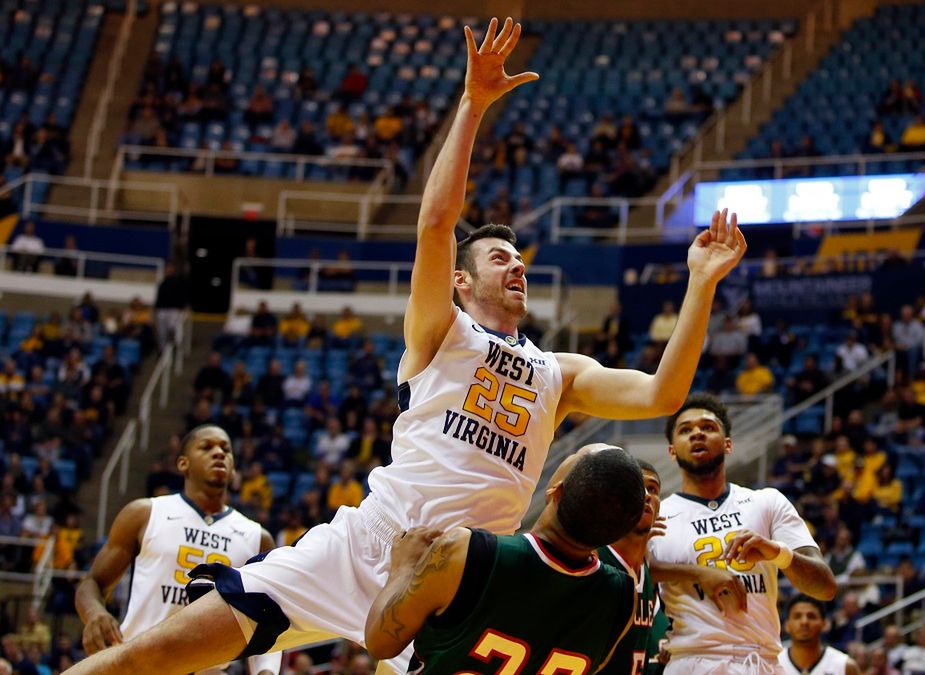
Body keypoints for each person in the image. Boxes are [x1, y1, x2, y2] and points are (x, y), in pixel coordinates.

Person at [64, 17, 744, 675]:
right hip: (367, 542)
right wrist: (474, 104)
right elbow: (435, 223)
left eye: (521, 259)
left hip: (457, 578)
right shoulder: (441, 330)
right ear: (461, 281)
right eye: (500, 257)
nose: (517, 267)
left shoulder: (557, 373)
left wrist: (701, 283)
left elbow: (663, 393)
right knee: (152, 654)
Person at [363, 445, 646, 669]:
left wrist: (403, 566)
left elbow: (380, 643)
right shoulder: (621, 598)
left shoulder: (467, 551)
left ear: (556, 491)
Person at [649, 394, 836, 673]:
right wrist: (698, 573)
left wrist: (777, 553)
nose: (697, 433)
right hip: (693, 660)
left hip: (762, 660)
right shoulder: (657, 514)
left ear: (728, 444)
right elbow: (633, 574)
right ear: (672, 450)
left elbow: (825, 587)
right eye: (685, 430)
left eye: (708, 427)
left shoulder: (767, 502)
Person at [73, 425, 279, 675]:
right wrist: (95, 614)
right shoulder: (145, 513)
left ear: (233, 468)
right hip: (141, 661)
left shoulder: (257, 537)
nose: (219, 453)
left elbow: (268, 617)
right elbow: (92, 582)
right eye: (206, 447)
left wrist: (266, 671)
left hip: (208, 669)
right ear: (183, 463)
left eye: (226, 449)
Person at [596, 460, 665, 675]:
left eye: (652, 489)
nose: (645, 495)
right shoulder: (593, 560)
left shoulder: (643, 570)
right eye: (634, 487)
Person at [778, 595, 859, 674]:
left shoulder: (845, 666)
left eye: (811, 616)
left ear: (825, 624)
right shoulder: (772, 665)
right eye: (797, 616)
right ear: (787, 625)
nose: (804, 621)